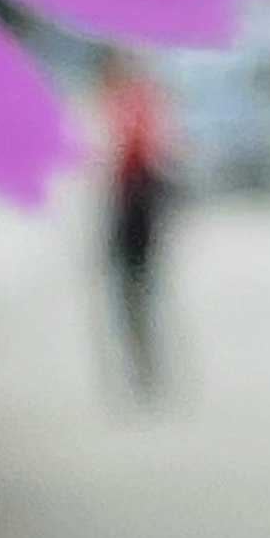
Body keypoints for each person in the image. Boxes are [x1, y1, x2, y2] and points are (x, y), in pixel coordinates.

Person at [100, 58, 177, 396]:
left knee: (134, 291)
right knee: (137, 292)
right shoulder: (138, 101)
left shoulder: (132, 104)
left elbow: (131, 153)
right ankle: (144, 366)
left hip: (135, 200)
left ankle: (144, 367)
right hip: (136, 201)